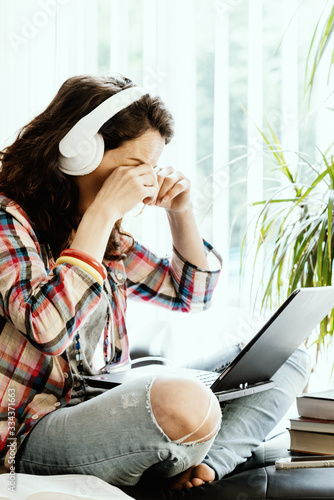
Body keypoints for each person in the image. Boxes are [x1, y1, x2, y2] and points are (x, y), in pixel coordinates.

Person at [0, 74, 310, 490]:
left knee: (289, 358)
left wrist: (181, 212)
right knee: (180, 401)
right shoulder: (9, 219)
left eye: (151, 169)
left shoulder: (106, 237)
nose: (144, 184)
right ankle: (188, 445)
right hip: (32, 431)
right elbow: (47, 328)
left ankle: (205, 467)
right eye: (134, 167)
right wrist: (104, 212)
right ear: (78, 154)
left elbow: (192, 295)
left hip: (104, 400)